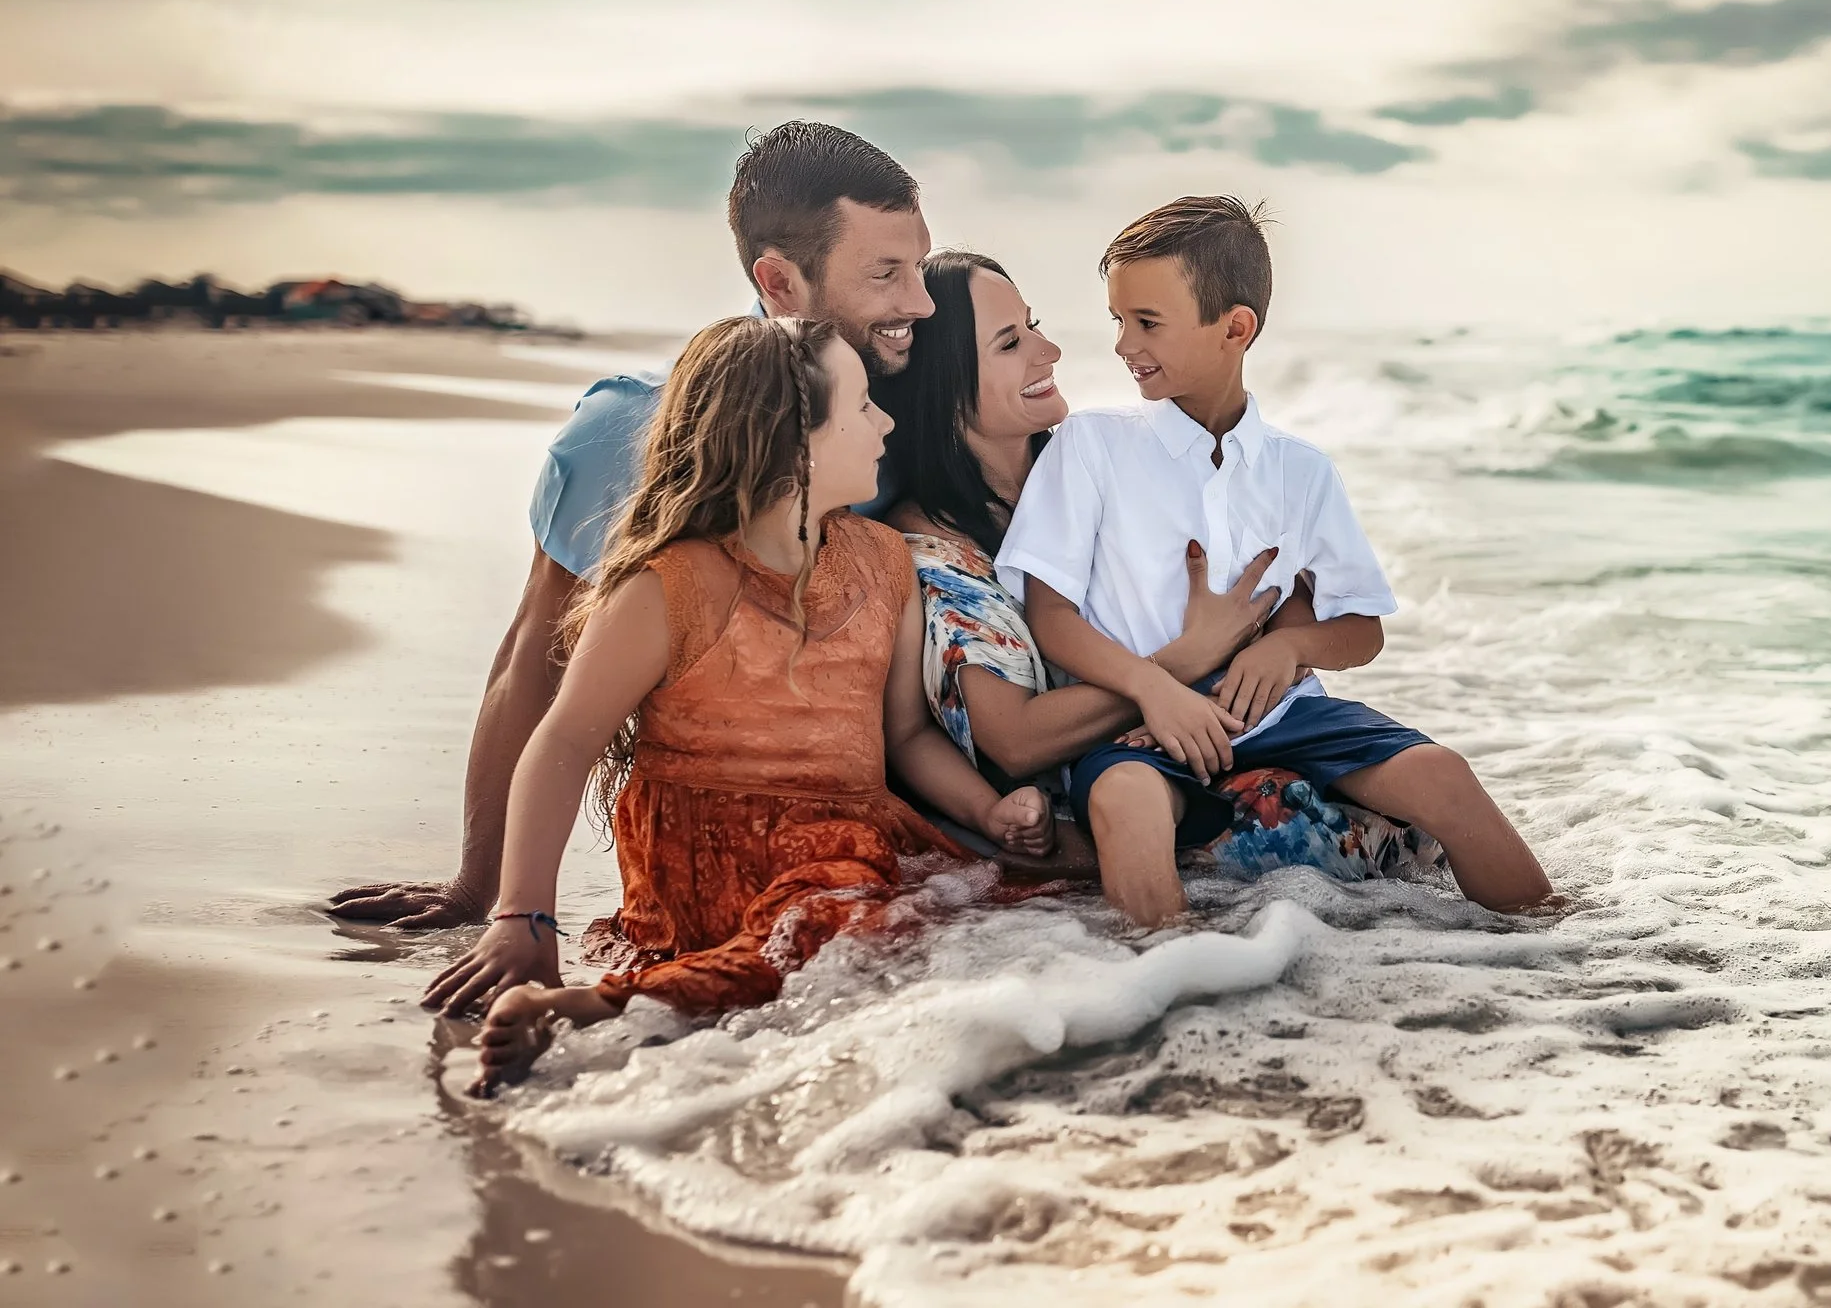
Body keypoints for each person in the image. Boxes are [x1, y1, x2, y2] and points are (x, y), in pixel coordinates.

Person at [329, 124, 935, 970]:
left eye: (918, 266)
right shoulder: (627, 431)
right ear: (779, 280)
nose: (921, 303)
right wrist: (489, 896)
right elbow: (537, 659)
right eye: (886, 274)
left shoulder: (903, 401)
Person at [428, 316, 1043, 1092]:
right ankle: (593, 1007)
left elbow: (907, 733)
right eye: (860, 407)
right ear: (794, 448)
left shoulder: (884, 564)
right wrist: (522, 915)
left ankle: (657, 1002)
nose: (885, 420)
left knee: (983, 914)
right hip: (701, 854)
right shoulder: (669, 586)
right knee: (837, 931)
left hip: (842, 838)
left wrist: (988, 816)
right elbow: (562, 744)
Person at [994, 197, 1553, 927]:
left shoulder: (1300, 471)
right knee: (1124, 802)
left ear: (1235, 328)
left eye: (1148, 322)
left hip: (1282, 717)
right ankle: (1173, 985)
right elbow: (1051, 617)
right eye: (1118, 321)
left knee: (1442, 775)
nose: (1124, 344)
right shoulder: (1091, 447)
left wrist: (1290, 646)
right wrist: (1152, 688)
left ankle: (1563, 956)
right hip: (1140, 725)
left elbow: (1362, 630)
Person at [878, 251, 1447, 884]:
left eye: (1034, 325)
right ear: (944, 383)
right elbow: (1012, 739)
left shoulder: (1109, 461)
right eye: (1012, 342)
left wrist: (1283, 643)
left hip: (1219, 745)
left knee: (1421, 833)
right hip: (1090, 814)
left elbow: (1278, 607)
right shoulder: (930, 547)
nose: (1051, 350)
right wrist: (1187, 659)